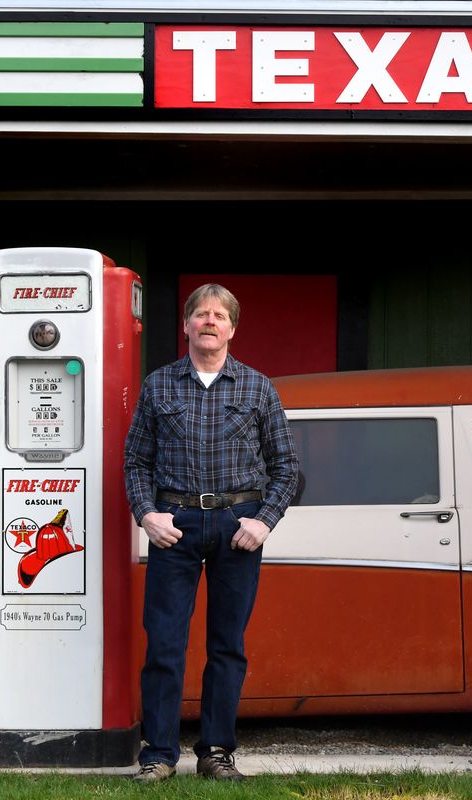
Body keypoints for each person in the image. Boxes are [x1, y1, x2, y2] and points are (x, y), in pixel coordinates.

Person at [124, 283, 298, 782]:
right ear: (185, 326)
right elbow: (136, 460)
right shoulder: (159, 385)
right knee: (163, 644)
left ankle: (217, 752)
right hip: (173, 528)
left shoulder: (258, 388)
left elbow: (285, 466)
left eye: (219, 315)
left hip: (236, 527)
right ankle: (158, 755)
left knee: (227, 645)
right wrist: (146, 514)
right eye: (200, 314)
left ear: (232, 328)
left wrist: (264, 521)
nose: (209, 321)